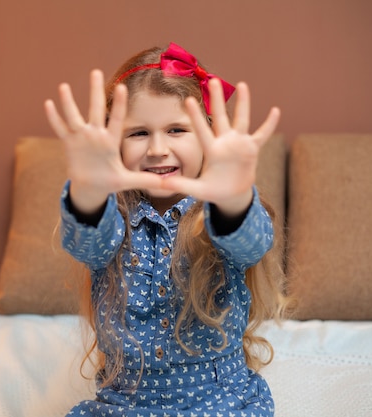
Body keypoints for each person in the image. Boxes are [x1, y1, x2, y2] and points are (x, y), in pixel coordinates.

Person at [44, 42, 287, 417]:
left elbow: (251, 243)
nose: (158, 149)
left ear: (207, 137)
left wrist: (233, 200)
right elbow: (85, 243)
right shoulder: (113, 218)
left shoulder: (217, 215)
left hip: (222, 406)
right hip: (124, 407)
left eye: (176, 130)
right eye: (138, 133)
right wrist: (89, 191)